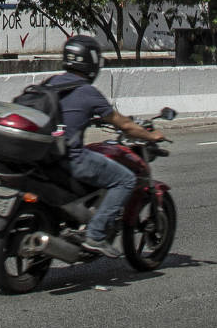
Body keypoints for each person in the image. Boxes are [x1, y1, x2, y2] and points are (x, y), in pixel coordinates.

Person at [43, 34, 165, 258]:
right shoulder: (88, 92)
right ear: (90, 62)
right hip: (71, 159)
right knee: (125, 179)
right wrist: (151, 135)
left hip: (46, 157)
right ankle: (96, 234)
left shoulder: (50, 84)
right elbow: (125, 125)